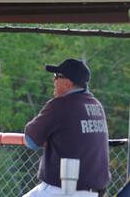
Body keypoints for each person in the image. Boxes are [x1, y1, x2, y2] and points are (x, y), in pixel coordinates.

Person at [23, 59, 110, 197]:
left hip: (62, 190)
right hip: (94, 192)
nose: (54, 80)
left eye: (57, 76)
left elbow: (31, 140)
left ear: (67, 83)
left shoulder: (60, 105)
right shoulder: (96, 106)